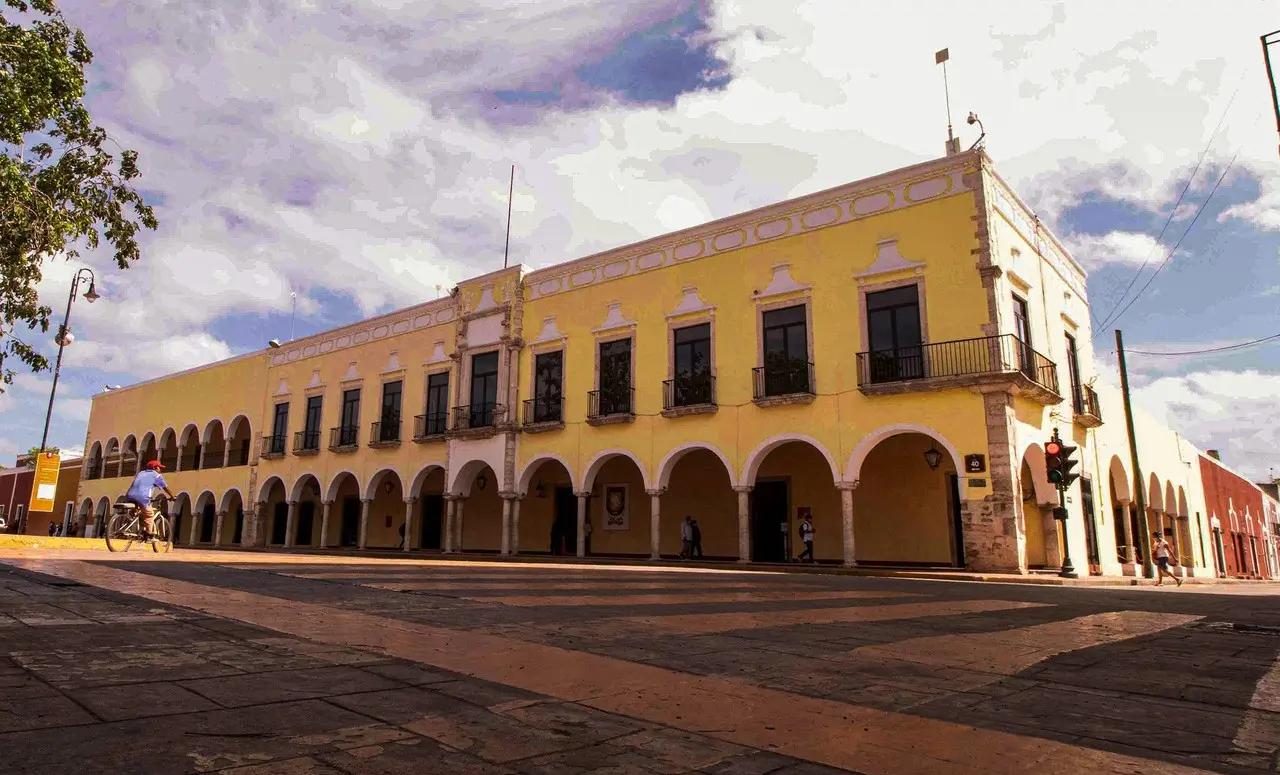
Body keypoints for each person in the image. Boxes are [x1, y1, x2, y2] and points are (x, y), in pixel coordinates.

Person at [124, 460, 175, 540]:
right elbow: (165, 488)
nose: (160, 470)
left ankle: (126, 524)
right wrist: (172, 496)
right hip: (142, 497)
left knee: (137, 511)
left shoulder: (141, 473)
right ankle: (149, 535)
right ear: (155, 468)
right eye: (159, 468)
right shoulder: (157, 475)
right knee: (149, 514)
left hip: (129, 495)